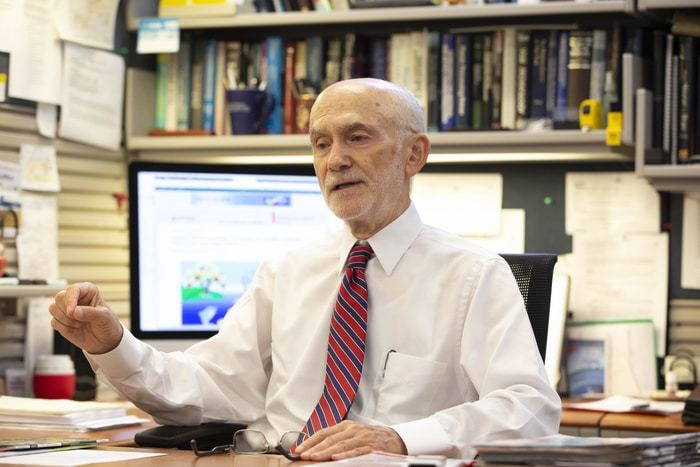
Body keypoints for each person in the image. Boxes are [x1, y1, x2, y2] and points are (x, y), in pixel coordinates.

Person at [49, 78, 560, 461]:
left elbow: (531, 409)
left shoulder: (473, 275)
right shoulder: (286, 272)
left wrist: (400, 436)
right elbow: (206, 391)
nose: (334, 160)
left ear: (414, 154)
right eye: (320, 143)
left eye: (357, 137)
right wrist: (112, 345)